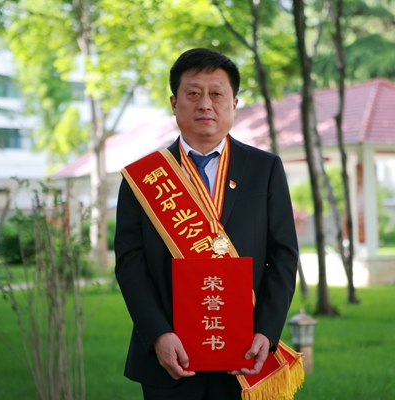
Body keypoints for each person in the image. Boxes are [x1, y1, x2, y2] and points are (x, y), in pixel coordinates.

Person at [114, 48, 299, 400]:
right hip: (169, 356)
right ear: (174, 103)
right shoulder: (144, 178)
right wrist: (158, 334)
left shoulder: (264, 169)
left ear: (234, 104)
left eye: (216, 94)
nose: (205, 104)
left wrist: (267, 331)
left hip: (246, 352)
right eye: (193, 93)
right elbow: (130, 264)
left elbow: (284, 256)